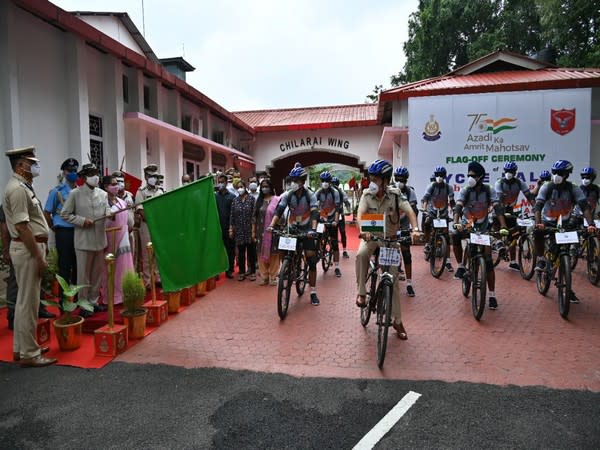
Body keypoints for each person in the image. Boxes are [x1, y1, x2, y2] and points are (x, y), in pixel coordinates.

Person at [355, 159, 421, 340]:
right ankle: (361, 293)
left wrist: (415, 229)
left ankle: (397, 320)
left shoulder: (396, 194)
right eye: (371, 178)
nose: (372, 182)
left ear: (385, 180)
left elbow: (410, 212)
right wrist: (363, 231)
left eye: (375, 179)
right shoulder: (366, 195)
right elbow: (360, 215)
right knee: (361, 254)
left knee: (393, 283)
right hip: (372, 236)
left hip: (390, 241)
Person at [3, 146, 56, 366]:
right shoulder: (17, 189)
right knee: (27, 302)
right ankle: (29, 354)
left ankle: (22, 348)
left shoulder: (23, 186)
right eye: (32, 162)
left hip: (30, 248)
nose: (36, 166)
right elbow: (22, 227)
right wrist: (38, 256)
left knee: (28, 301)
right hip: (27, 250)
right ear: (21, 165)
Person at [534, 160, 596, 303]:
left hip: (566, 223)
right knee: (537, 233)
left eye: (560, 173)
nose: (556, 175)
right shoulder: (547, 186)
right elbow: (538, 206)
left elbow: (585, 206)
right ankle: (542, 260)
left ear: (567, 174)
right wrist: (539, 223)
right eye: (554, 172)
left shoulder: (573, 188)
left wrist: (591, 224)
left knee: (565, 254)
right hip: (548, 221)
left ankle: (567, 288)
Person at [452, 161, 508, 310]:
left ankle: (492, 295)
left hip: (484, 228)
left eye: (473, 176)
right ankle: (461, 266)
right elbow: (458, 206)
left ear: (481, 177)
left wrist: (503, 226)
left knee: (488, 262)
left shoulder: (489, 190)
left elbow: (498, 208)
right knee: (455, 235)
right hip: (468, 224)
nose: (470, 178)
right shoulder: (465, 190)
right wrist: (456, 222)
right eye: (469, 175)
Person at [61, 163, 113, 316]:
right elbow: (65, 214)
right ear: (83, 177)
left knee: (96, 274)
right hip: (83, 241)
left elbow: (106, 208)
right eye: (91, 174)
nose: (95, 177)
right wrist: (82, 221)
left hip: (99, 240)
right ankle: (83, 305)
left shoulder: (103, 194)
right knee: (83, 275)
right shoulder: (75, 194)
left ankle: (94, 301)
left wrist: (110, 213)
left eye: (96, 173)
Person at [269, 164, 321, 305]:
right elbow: (279, 210)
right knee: (282, 247)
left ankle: (313, 291)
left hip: (307, 229)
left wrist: (314, 230)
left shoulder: (310, 195)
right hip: (291, 228)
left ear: (302, 182)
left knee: (311, 258)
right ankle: (286, 268)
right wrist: (271, 225)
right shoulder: (288, 194)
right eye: (292, 180)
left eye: (296, 180)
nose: (293, 183)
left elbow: (315, 213)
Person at [43, 158, 79, 293]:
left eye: (75, 170)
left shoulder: (80, 191)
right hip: (63, 232)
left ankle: (77, 297)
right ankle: (64, 300)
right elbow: (47, 212)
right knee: (64, 265)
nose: (73, 173)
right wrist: (54, 227)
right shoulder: (57, 191)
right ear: (64, 172)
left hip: (79, 231)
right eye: (70, 171)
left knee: (78, 265)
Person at [494, 162, 535, 271]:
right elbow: (499, 198)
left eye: (511, 171)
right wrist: (503, 212)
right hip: (499, 207)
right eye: (507, 171)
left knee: (513, 235)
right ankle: (498, 242)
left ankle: (512, 262)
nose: (509, 173)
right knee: (497, 221)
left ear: (515, 172)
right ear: (504, 172)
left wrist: (535, 208)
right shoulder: (499, 182)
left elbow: (529, 196)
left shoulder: (520, 183)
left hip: (511, 209)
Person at [101, 175, 134, 305]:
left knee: (124, 266)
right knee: (111, 268)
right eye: (113, 184)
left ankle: (125, 293)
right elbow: (103, 222)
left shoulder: (121, 201)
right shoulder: (103, 202)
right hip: (110, 239)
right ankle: (112, 296)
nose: (116, 186)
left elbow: (128, 220)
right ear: (105, 187)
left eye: (117, 184)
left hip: (124, 237)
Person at [134, 164, 165, 290]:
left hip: (158, 226)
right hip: (146, 226)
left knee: (158, 253)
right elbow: (140, 210)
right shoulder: (140, 192)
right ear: (146, 177)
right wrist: (153, 219)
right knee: (147, 254)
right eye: (151, 176)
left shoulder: (160, 191)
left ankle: (157, 278)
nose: (153, 178)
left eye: (155, 176)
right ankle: (147, 281)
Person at [420, 165, 455, 272]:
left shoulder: (448, 187)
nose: (439, 177)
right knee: (426, 224)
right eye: (437, 175)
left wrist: (454, 211)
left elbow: (452, 201)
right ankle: (427, 243)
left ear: (444, 176)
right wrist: (425, 210)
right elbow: (425, 199)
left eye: (441, 175)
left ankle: (448, 261)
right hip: (432, 212)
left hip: (443, 214)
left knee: (446, 238)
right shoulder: (431, 186)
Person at [392, 166, 419, 297]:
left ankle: (409, 283)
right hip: (390, 226)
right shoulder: (388, 191)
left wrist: (415, 229)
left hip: (403, 227)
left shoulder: (410, 192)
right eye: (397, 179)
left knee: (406, 253)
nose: (399, 181)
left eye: (402, 179)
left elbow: (413, 211)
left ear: (406, 180)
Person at [252, 179, 280, 285]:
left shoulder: (277, 200)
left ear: (271, 187)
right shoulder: (258, 201)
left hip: (273, 230)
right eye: (263, 186)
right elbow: (254, 218)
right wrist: (253, 232)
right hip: (260, 232)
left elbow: (280, 215)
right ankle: (264, 277)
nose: (264, 188)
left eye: (266, 186)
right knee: (260, 253)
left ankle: (273, 277)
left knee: (274, 254)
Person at [315, 171, 342, 277]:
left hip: (332, 218)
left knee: (334, 243)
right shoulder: (318, 192)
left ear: (330, 182)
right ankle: (320, 250)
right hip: (322, 217)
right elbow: (313, 205)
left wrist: (335, 221)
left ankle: (337, 266)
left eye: (326, 181)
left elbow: (337, 208)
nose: (324, 183)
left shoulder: (334, 192)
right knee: (316, 236)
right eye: (323, 181)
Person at [229, 180, 256, 281]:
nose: (240, 189)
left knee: (251, 252)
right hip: (239, 230)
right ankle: (242, 272)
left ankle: (252, 271)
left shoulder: (251, 199)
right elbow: (232, 216)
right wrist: (231, 229)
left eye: (241, 186)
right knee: (240, 253)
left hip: (250, 230)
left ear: (245, 187)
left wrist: (254, 230)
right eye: (238, 187)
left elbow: (254, 215)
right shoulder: (235, 201)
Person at [215, 173, 236, 278]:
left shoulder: (232, 197)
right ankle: (217, 271)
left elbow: (234, 213)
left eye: (222, 181)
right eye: (219, 181)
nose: (221, 184)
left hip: (228, 227)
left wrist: (232, 228)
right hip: (217, 227)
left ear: (226, 182)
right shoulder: (214, 196)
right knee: (217, 249)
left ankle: (229, 270)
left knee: (230, 250)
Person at [331, 176, 351, 258]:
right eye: (333, 184)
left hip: (340, 215)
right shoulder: (329, 192)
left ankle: (344, 250)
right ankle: (334, 250)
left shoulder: (341, 191)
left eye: (335, 184)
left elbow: (346, 202)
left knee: (342, 232)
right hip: (330, 215)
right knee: (333, 234)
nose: (334, 185)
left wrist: (348, 209)